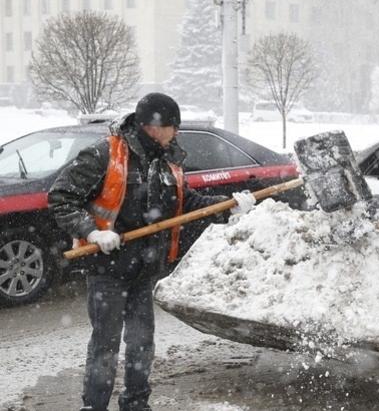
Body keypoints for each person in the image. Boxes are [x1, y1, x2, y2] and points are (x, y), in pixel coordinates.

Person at [48, 92, 256, 411]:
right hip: (108, 270)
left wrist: (229, 206)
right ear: (154, 127)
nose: (177, 133)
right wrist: (91, 231)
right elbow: (61, 198)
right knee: (106, 344)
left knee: (141, 342)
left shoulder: (166, 162)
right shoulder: (106, 154)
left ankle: (135, 404)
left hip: (145, 270)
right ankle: (94, 406)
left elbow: (188, 205)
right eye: (174, 126)